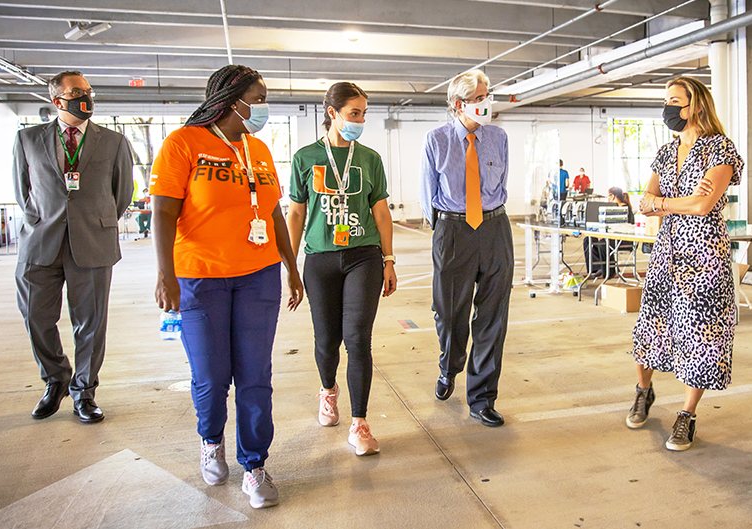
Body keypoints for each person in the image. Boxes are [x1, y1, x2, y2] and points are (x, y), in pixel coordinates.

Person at [150, 65, 303, 508]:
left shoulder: (257, 148)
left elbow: (272, 214)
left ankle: (254, 465)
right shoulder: (183, 143)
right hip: (200, 278)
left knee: (255, 376)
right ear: (233, 99)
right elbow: (162, 212)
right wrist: (166, 274)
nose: (263, 106)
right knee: (212, 376)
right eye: (258, 97)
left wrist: (291, 268)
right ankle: (210, 439)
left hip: (258, 277)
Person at [629, 76, 743, 451]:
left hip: (705, 256)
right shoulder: (666, 151)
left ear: (696, 105)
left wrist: (663, 203)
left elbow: (701, 206)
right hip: (667, 252)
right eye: (666, 101)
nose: (668, 108)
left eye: (675, 100)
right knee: (651, 324)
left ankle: (687, 415)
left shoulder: (720, 150)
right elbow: (643, 198)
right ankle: (644, 391)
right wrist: (669, 201)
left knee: (700, 334)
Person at [12, 70, 133, 424]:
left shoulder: (113, 142)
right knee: (36, 317)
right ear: (57, 100)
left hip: (92, 243)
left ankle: (84, 391)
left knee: (91, 324)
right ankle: (56, 378)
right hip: (40, 243)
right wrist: (46, 219)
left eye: (89, 91)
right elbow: (24, 193)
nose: (87, 97)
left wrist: (93, 220)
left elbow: (121, 194)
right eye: (78, 91)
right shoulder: (27, 140)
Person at [287, 82, 397, 457]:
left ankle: (360, 422)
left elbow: (381, 212)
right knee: (326, 341)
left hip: (362, 255)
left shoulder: (369, 159)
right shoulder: (305, 158)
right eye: (354, 113)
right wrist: (289, 263)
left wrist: (388, 259)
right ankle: (328, 390)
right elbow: (297, 212)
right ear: (332, 113)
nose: (361, 120)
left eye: (364, 114)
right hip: (319, 259)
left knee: (358, 339)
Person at [419, 69, 512, 428]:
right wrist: (445, 229)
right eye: (481, 98)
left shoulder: (498, 138)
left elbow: (500, 184)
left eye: (488, 95)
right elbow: (427, 195)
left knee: (493, 317)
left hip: (494, 228)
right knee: (450, 314)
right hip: (453, 230)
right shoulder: (436, 140)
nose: (488, 103)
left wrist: (492, 219)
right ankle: (449, 365)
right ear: (460, 105)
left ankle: (482, 398)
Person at [582, 187, 635, 278]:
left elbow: (621, 228)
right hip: (612, 236)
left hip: (624, 239)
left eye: (608, 196)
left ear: (612, 196)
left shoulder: (623, 209)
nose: (607, 199)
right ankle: (598, 268)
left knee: (603, 243)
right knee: (588, 240)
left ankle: (609, 271)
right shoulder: (613, 208)